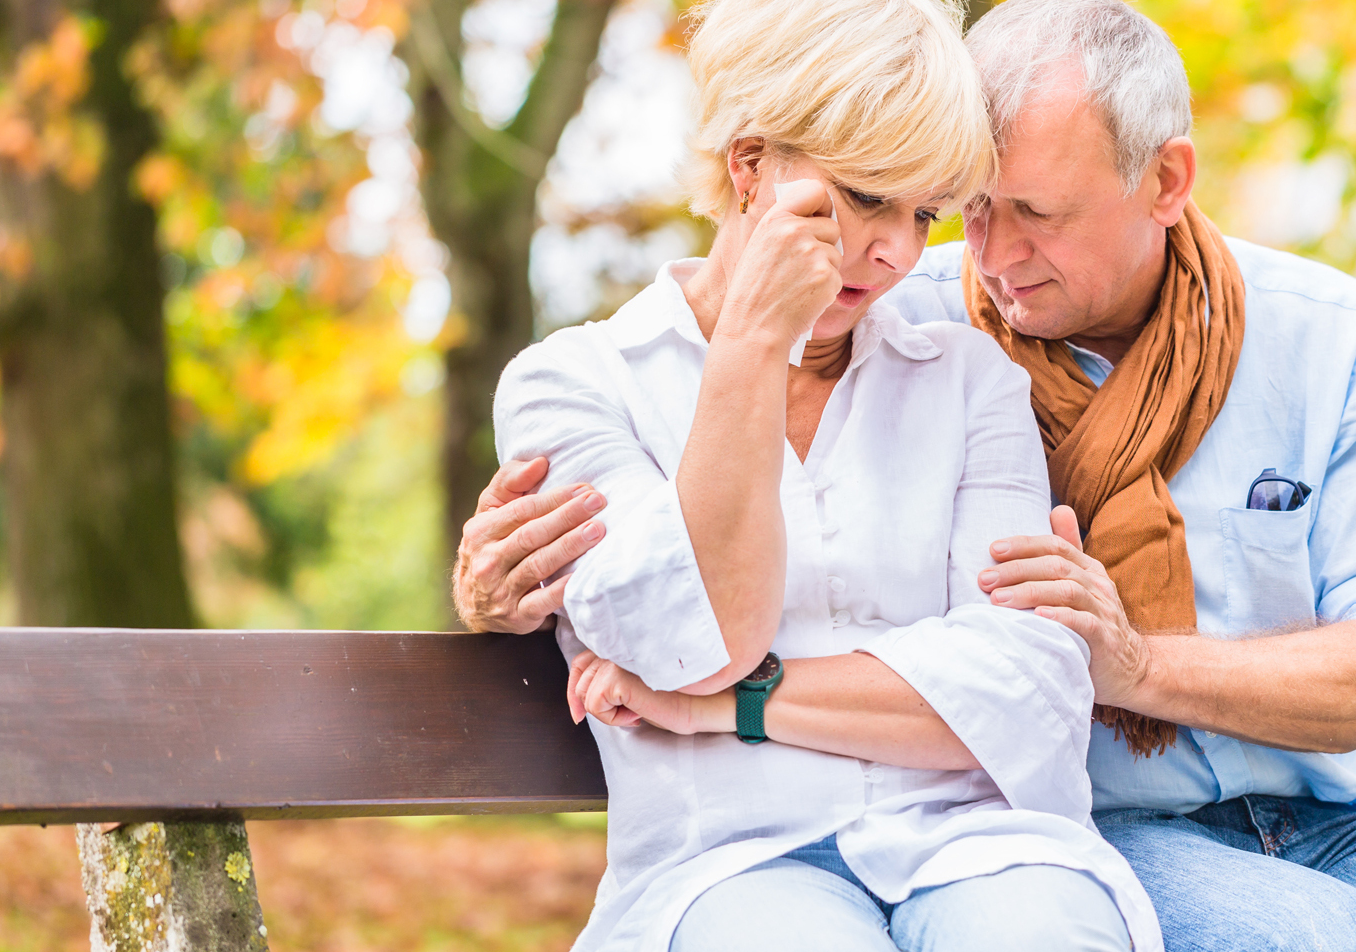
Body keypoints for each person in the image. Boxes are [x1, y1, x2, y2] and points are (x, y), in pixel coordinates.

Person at [464, 1, 1356, 950]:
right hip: (1096, 829)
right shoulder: (925, 308)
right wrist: (505, 585)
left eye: (1019, 213)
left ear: (1165, 181)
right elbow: (664, 579)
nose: (973, 257)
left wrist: (1135, 665)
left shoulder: (1319, 337)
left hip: (1327, 818)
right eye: (968, 212)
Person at [487, 1, 1156, 950]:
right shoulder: (574, 386)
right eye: (863, 196)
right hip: (728, 865)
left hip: (980, 849)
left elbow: (1023, 692)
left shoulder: (969, 383)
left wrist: (729, 706)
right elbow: (696, 641)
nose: (895, 252)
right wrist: (755, 343)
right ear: (749, 166)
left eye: (922, 213)